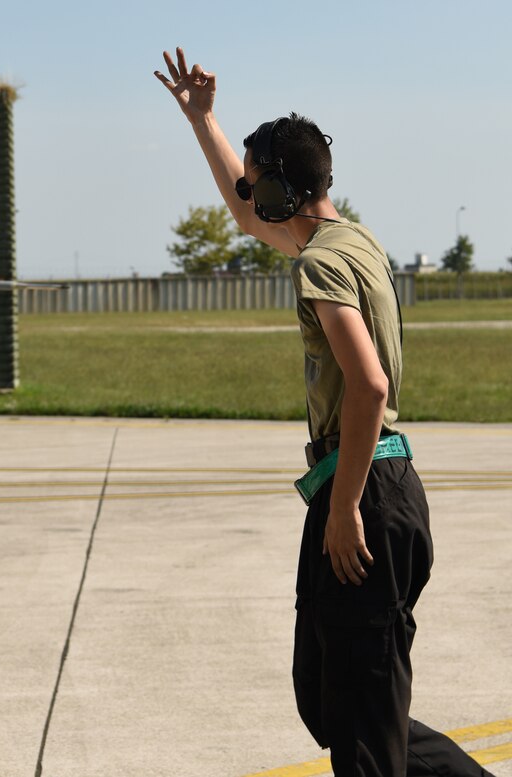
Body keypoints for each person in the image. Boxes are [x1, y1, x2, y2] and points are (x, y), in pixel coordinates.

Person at [153, 47, 494, 777]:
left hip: (365, 488)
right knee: (330, 698)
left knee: (364, 732)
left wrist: (344, 508)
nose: (247, 192)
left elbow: (367, 385)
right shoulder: (351, 240)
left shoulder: (322, 263)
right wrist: (204, 121)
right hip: (375, 482)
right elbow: (248, 219)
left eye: (256, 180)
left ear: (281, 184)